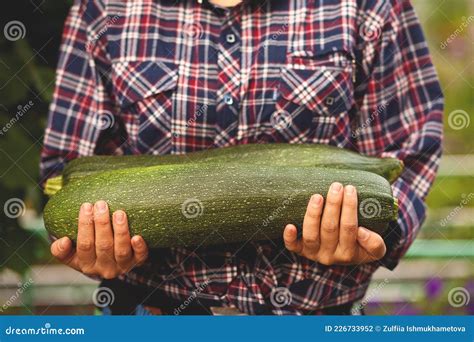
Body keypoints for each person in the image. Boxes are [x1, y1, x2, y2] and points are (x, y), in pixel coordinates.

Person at [40, 0, 443, 315]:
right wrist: (88, 247)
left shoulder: (370, 6)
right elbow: (65, 167)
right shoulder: (104, 9)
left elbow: (409, 158)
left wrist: (372, 237)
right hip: (152, 313)